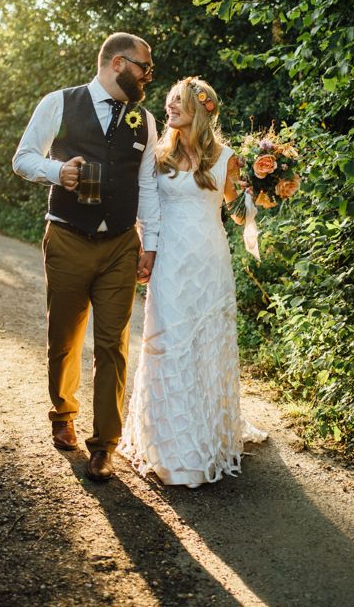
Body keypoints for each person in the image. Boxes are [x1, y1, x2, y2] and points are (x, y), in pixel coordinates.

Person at [12, 33, 160, 482]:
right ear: (118, 64)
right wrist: (59, 172)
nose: (147, 77)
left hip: (120, 244)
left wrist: (149, 243)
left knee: (113, 345)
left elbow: (148, 185)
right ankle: (63, 413)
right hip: (68, 237)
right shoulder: (59, 102)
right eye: (143, 69)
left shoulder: (146, 121)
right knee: (65, 336)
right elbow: (23, 158)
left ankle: (104, 444)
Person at [118, 77, 267, 488]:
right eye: (169, 101)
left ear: (201, 109)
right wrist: (143, 249)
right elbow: (144, 207)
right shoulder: (157, 155)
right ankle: (168, 447)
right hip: (168, 262)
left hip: (208, 262)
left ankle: (203, 443)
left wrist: (264, 190)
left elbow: (238, 214)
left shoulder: (226, 158)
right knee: (166, 342)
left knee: (203, 345)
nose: (170, 107)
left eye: (178, 102)